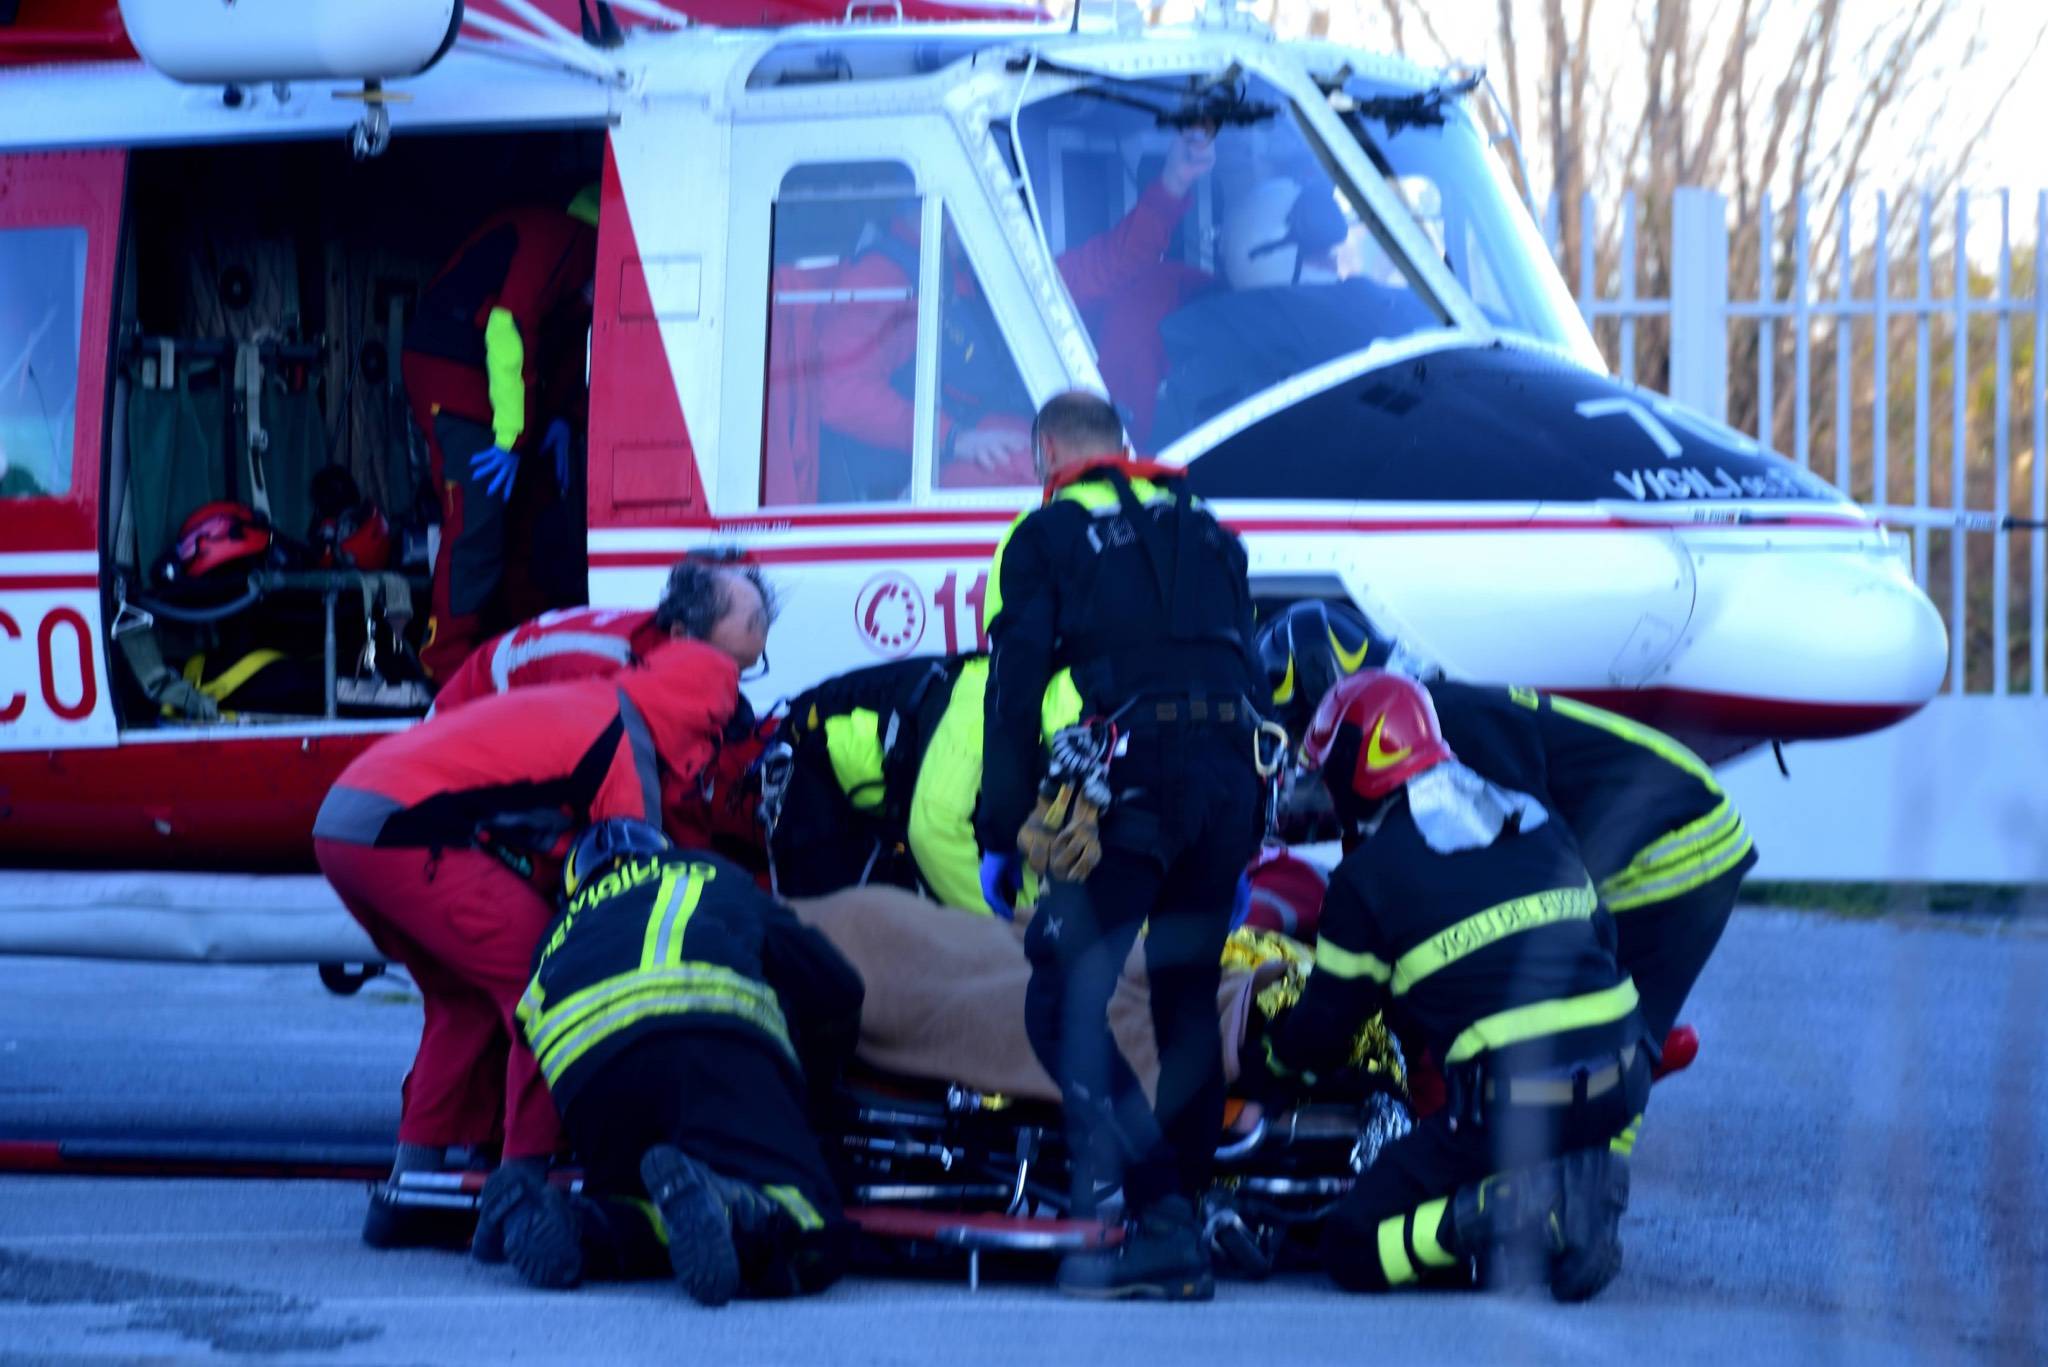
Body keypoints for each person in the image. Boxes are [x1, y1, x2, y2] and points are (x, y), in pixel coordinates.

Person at [311, 636, 741, 1250]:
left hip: (345, 824)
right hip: (404, 830)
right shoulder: (629, 745)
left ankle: (409, 1191)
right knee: (546, 997)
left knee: (460, 1005)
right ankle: (520, 1194)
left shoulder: (591, 699)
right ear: (707, 715)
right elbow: (628, 893)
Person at [978, 390, 1267, 1300]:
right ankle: (1184, 1205)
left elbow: (1015, 683)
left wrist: (1003, 824)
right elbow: (1245, 665)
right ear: (1124, 448)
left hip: (1141, 781)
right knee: (1184, 989)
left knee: (1062, 997)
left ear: (1047, 453)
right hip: (1231, 782)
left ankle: (1163, 1213)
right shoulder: (1212, 529)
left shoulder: (1048, 532)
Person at [1249, 669, 1648, 1301]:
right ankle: (1576, 1188)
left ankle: (1517, 1206)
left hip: (1518, 1102)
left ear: (1356, 764)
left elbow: (1325, 1032)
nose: (1323, 790)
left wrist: (1269, 1055)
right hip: (1626, 1079)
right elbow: (1602, 941)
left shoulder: (1366, 881)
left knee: (1353, 1245)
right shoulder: (1533, 815)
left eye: (1326, 771)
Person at [1256, 599, 1753, 1043]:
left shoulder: (1450, 722)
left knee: (1602, 1037)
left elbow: (1533, 846)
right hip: (1665, 823)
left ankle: (1611, 1099)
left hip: (1678, 840)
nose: (1306, 750)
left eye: (1303, 727)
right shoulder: (1435, 718)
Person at [484, 818, 863, 1303]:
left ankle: (578, 1225)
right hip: (706, 1041)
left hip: (588, 1079)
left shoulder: (557, 933)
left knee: (632, 1199)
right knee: (810, 1219)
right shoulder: (706, 871)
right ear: (660, 852)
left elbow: (524, 1038)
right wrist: (816, 1077)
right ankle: (735, 1210)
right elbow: (833, 983)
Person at [812, 132, 1219, 494]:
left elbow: (1105, 266)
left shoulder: (973, 267)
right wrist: (952, 438)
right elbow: (836, 393)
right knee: (1068, 478)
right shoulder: (885, 276)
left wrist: (1173, 184)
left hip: (1021, 434)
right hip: (960, 460)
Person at [402, 187, 600, 680]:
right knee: (476, 519)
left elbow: (570, 341)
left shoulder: (577, 256)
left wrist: (562, 418)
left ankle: (516, 644)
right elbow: (506, 328)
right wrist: (512, 437)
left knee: (522, 518)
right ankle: (443, 662)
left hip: (500, 393)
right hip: (457, 379)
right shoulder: (567, 240)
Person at [760, 652, 989, 912]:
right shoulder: (976, 713)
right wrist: (1008, 923)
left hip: (897, 779)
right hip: (815, 764)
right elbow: (934, 833)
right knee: (822, 923)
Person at [432, 549, 775, 708]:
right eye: (726, 667)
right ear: (680, 636)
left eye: (743, 670)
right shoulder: (601, 670)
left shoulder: (662, 642)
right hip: (462, 740)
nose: (731, 684)